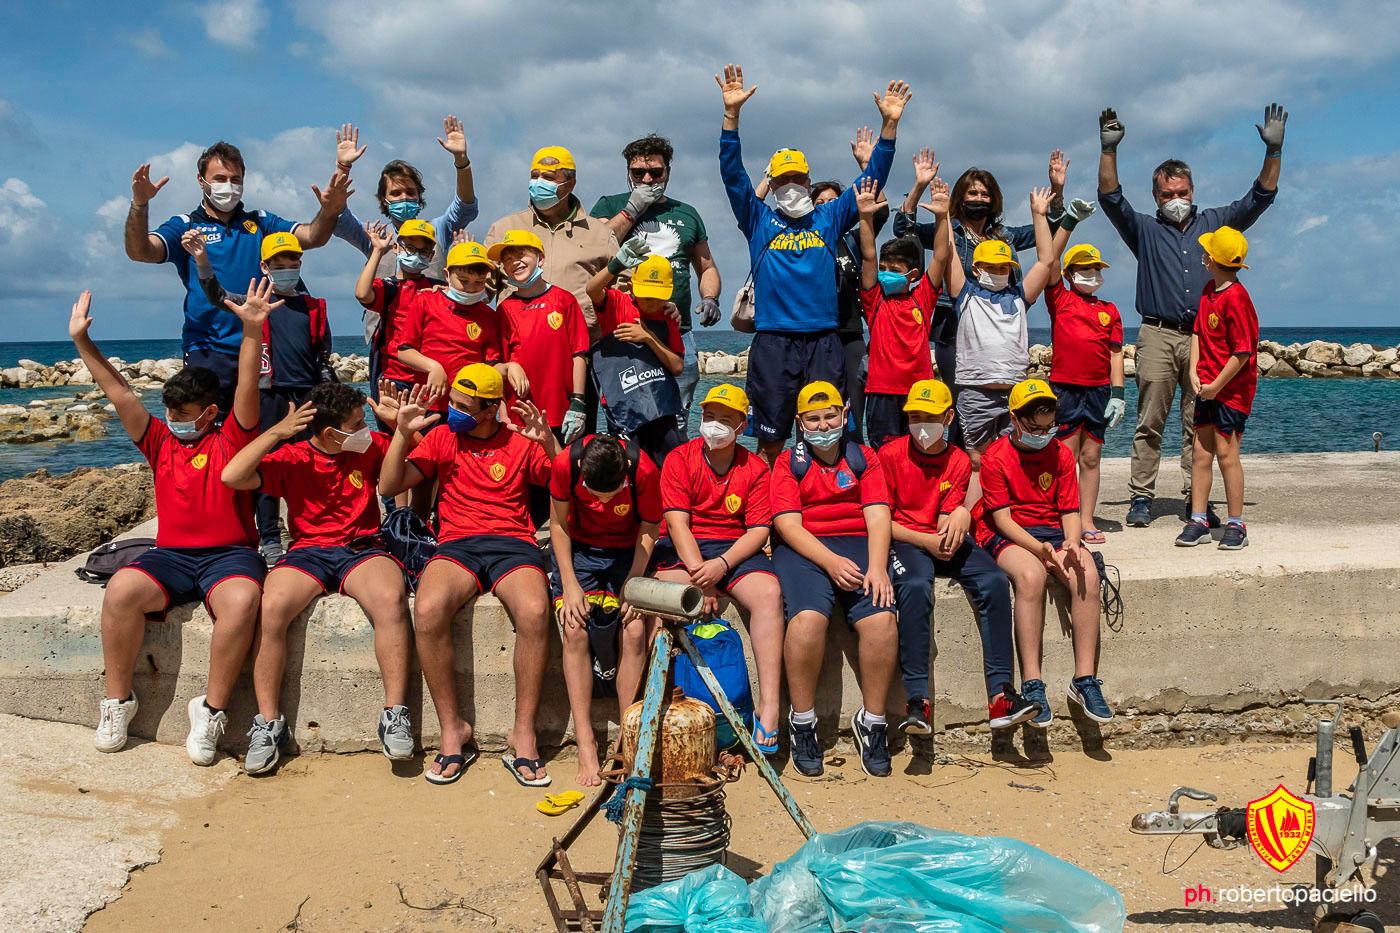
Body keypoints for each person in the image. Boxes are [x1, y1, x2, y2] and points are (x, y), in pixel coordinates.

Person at [75, 282, 272, 764]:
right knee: (121, 589)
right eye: (170, 412)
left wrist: (252, 330)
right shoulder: (159, 440)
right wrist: (82, 341)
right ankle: (118, 701)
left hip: (231, 556)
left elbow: (247, 387)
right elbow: (119, 391)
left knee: (244, 600)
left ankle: (211, 710)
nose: (174, 420)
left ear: (209, 412)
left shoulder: (232, 436)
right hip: (171, 557)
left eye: (184, 414)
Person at [1097, 103, 1285, 527]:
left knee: (1196, 423)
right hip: (1157, 334)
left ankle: (1193, 499)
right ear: (1156, 197)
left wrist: (1274, 151)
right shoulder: (1144, 229)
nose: (1177, 200)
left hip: (1206, 338)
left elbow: (1260, 199)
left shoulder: (1216, 224)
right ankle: (1141, 496)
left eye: (1183, 192)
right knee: (1150, 421)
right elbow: (1110, 198)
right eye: (1168, 195)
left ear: (1193, 189)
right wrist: (1108, 149)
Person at [715, 63, 910, 463]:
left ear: (808, 182)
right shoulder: (758, 219)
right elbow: (732, 175)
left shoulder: (829, 216)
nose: (790, 187)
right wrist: (731, 117)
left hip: (824, 341)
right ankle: (768, 518)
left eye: (797, 180)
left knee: (826, 435)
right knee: (770, 441)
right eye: (782, 181)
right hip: (773, 342)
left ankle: (821, 508)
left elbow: (873, 176)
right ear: (774, 184)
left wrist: (889, 127)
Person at [378, 365, 560, 787]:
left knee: (535, 611)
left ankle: (524, 733)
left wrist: (549, 442)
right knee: (427, 608)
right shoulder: (443, 437)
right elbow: (389, 486)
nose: (453, 411)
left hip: (513, 542)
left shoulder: (518, 442)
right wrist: (401, 433)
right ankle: (452, 729)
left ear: (490, 409)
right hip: (457, 542)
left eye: (463, 406)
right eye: (452, 403)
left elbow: (565, 483)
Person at [220, 382, 414, 775]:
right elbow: (232, 476)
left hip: (362, 547)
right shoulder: (293, 458)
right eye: (356, 424)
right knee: (270, 607)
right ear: (330, 433)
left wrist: (401, 430)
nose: (365, 428)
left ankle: (395, 714)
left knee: (390, 600)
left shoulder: (371, 444)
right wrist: (276, 431)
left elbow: (427, 460)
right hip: (308, 550)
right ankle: (268, 723)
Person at [124, 142, 349, 405]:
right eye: (219, 179)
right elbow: (140, 251)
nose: (228, 186)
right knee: (208, 431)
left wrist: (330, 210)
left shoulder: (262, 222)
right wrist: (140, 205)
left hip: (262, 348)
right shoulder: (185, 225)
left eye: (235, 179)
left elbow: (312, 236)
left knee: (261, 432)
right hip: (208, 349)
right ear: (201, 181)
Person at [880, 379, 1038, 735]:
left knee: (994, 580)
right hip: (904, 540)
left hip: (940, 539)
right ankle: (917, 700)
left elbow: (947, 512)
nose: (922, 425)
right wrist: (928, 539)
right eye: (915, 416)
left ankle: (1001, 696)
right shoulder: (889, 456)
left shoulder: (959, 461)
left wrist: (960, 515)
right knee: (917, 585)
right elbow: (880, 521)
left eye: (931, 416)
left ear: (949, 417)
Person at [770, 382, 897, 778]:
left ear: (844, 415)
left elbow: (878, 515)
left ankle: (873, 722)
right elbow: (788, 525)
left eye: (830, 416)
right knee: (808, 620)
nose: (823, 425)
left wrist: (877, 567)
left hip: (858, 544)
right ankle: (803, 721)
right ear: (800, 423)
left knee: (882, 620)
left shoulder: (863, 457)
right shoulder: (789, 463)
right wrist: (830, 562)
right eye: (813, 419)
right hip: (807, 547)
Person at [187, 230, 335, 564]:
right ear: (265, 266)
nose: (287, 267)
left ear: (300, 262)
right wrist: (202, 261)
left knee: (310, 466)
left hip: (307, 397)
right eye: (278, 263)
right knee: (267, 467)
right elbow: (216, 295)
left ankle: (310, 529)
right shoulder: (254, 302)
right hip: (268, 397)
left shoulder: (314, 308)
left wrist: (329, 399)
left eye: (293, 260)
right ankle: (269, 536)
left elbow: (324, 358)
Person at [653, 384, 784, 753]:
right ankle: (660, 706)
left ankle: (769, 710)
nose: (714, 426)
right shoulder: (680, 458)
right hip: (688, 550)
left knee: (769, 595)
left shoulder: (755, 467)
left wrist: (723, 565)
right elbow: (677, 523)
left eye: (725, 420)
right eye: (709, 417)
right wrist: (703, 579)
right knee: (660, 599)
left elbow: (759, 529)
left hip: (734, 549)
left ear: (742, 426)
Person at [897, 149, 1068, 427]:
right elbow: (904, 229)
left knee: (1005, 406)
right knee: (953, 399)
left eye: (984, 194)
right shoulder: (947, 231)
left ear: (994, 200)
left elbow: (1048, 228)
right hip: (952, 324)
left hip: (1000, 326)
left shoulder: (1005, 236)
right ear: (961, 198)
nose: (978, 199)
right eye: (972, 193)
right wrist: (919, 188)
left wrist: (1057, 190)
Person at [976, 380, 1112, 728]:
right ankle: (1032, 683)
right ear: (1015, 419)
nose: (1043, 433)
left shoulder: (1062, 454)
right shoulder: (996, 457)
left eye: (1049, 427)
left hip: (1052, 531)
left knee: (1087, 572)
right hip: (1007, 532)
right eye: (1034, 427)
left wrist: (1071, 543)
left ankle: (1084, 679)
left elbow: (1069, 509)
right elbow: (1001, 519)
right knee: (1031, 576)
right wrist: (1039, 551)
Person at [754, 125, 891, 438]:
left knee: (838, 422)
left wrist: (870, 160)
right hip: (797, 335)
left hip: (842, 335)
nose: (828, 207)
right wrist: (770, 176)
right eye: (822, 202)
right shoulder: (797, 230)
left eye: (835, 202)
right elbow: (750, 204)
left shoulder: (850, 236)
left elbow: (877, 210)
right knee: (796, 425)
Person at [549, 434, 663, 786]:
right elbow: (557, 525)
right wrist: (569, 584)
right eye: (595, 496)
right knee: (573, 626)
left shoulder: (644, 470)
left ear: (625, 472)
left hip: (627, 552)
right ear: (582, 470)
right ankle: (585, 742)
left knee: (633, 626)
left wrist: (633, 583)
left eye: (610, 495)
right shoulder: (565, 464)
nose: (601, 503)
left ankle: (625, 739)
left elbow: (650, 528)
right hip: (580, 549)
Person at [591, 134, 723, 423]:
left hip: (677, 329)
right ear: (628, 173)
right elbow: (598, 247)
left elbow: (707, 266)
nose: (647, 179)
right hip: (625, 331)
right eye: (639, 173)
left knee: (677, 416)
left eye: (655, 172)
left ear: (668, 173)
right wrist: (632, 208)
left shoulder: (687, 213)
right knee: (627, 417)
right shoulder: (609, 205)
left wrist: (710, 297)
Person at [942, 188, 1058, 469]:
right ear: (977, 268)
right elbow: (949, 254)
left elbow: (1046, 261)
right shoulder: (965, 295)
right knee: (977, 461)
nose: (997, 270)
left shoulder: (1020, 297)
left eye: (1003, 267)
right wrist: (944, 215)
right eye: (990, 266)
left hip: (1015, 393)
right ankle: (980, 513)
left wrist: (1039, 215)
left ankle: (1009, 510)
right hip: (976, 393)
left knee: (1013, 460)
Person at [1175, 227, 1259, 551]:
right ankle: (1198, 518)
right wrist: (1196, 370)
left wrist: (1217, 386)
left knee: (1227, 455)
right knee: (1200, 452)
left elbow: (1242, 352)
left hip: (1231, 392)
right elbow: (1197, 332)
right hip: (1207, 386)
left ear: (1210, 259)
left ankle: (1236, 522)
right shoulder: (1209, 290)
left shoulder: (1237, 298)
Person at [855, 165, 949, 448]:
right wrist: (865, 216)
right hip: (881, 392)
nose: (885, 273)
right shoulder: (875, 299)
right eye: (884, 268)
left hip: (919, 393)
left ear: (913, 274)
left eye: (894, 268)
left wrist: (943, 217)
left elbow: (942, 256)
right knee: (883, 454)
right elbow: (869, 255)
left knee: (920, 451)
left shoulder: (922, 296)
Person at [1042, 239, 1125, 544]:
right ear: (1070, 273)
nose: (1091, 274)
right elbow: (1048, 261)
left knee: (1091, 457)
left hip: (1099, 392)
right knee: (1065, 455)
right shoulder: (1059, 299)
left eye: (1096, 269)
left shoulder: (1110, 310)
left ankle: (1087, 518)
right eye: (1084, 269)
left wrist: (1118, 393)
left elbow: (1116, 353)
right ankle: (1064, 514)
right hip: (1065, 390)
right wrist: (1065, 221)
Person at [485, 146, 619, 333]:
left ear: (570, 184)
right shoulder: (503, 228)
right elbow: (478, 287)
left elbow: (623, 294)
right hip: (516, 346)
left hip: (586, 348)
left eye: (548, 178)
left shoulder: (600, 234)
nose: (538, 183)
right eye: (534, 176)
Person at [330, 118, 480, 280]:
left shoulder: (438, 230)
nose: (404, 198)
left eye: (410, 192)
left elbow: (465, 206)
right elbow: (335, 218)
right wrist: (342, 168)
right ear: (384, 200)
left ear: (419, 196)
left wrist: (461, 160)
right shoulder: (373, 234)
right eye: (396, 193)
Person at [585, 251, 686, 466]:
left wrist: (648, 337)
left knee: (669, 465)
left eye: (660, 298)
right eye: (648, 297)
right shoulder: (617, 303)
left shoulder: (668, 317)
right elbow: (592, 290)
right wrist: (616, 264)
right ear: (631, 287)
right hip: (623, 407)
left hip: (660, 408)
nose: (652, 304)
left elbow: (677, 366)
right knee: (629, 467)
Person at [491, 230, 590, 441]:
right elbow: (497, 365)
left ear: (541, 259)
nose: (514, 262)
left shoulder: (564, 300)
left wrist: (578, 401)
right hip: (520, 414)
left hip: (561, 412)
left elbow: (579, 354)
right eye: (507, 259)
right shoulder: (504, 310)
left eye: (521, 254)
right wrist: (503, 410)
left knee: (562, 469)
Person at [395, 238, 513, 414]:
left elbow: (490, 364)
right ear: (447, 275)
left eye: (479, 282)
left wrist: (511, 368)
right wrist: (432, 366)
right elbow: (404, 351)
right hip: (429, 402)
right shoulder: (425, 301)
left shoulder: (488, 315)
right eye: (464, 281)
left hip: (469, 406)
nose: (471, 288)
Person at [353, 218, 443, 428]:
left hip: (429, 382)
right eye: (410, 247)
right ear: (396, 247)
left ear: (430, 256)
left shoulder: (438, 288)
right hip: (395, 380)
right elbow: (362, 293)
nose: (416, 255)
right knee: (394, 440)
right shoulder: (390, 287)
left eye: (423, 251)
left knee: (428, 446)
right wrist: (377, 251)